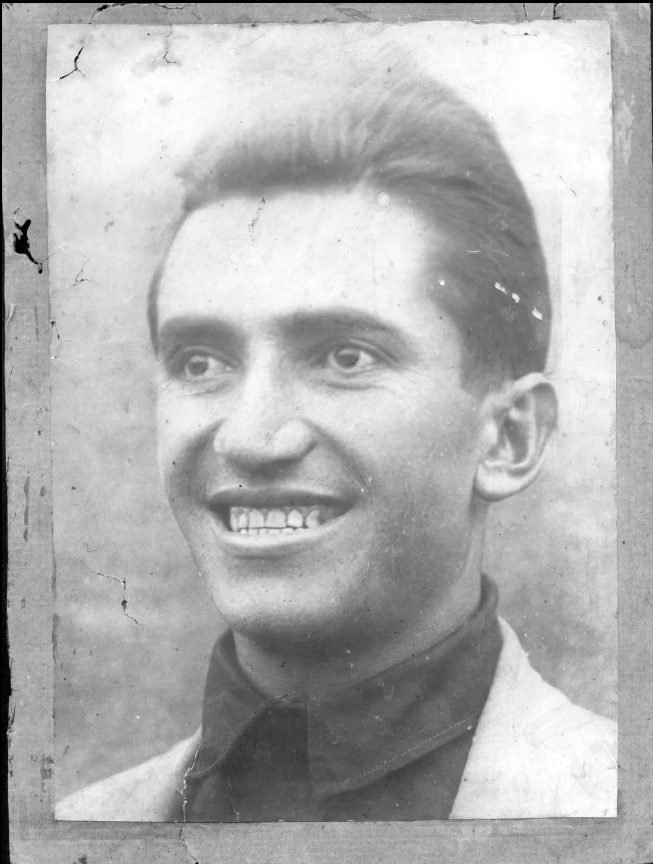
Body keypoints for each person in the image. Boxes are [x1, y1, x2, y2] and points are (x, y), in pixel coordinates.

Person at [57, 50, 616, 822]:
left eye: (344, 357)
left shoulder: (611, 810)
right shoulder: (81, 829)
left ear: (508, 437)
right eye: (201, 362)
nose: (250, 438)